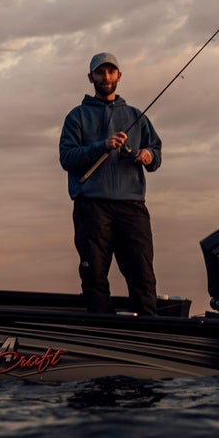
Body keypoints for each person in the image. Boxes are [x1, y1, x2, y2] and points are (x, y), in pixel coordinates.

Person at [57, 52, 163, 315]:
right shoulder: (77, 116)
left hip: (132, 207)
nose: (106, 77)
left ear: (119, 76)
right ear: (90, 77)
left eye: (111, 72)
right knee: (93, 274)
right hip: (91, 207)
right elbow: (67, 158)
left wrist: (148, 155)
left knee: (142, 275)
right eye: (100, 72)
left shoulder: (137, 115)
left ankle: (150, 335)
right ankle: (103, 333)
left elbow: (156, 153)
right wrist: (100, 146)